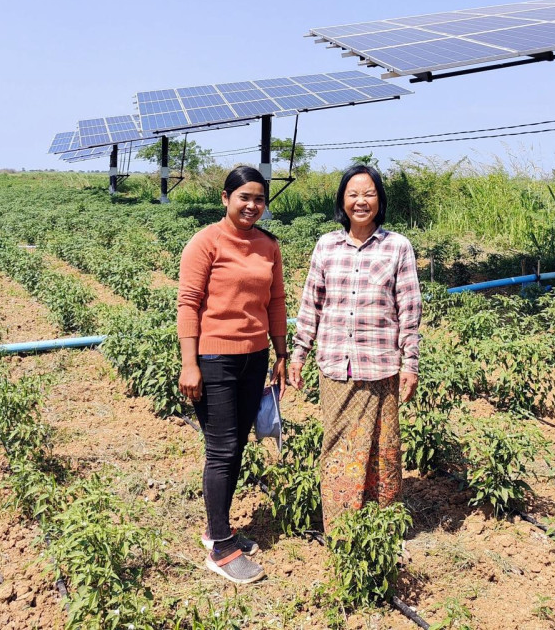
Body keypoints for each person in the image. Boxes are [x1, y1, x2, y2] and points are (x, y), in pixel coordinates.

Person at [288, 163, 421, 532]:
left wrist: (410, 363)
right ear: (342, 201)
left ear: (380, 200)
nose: (361, 201)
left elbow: (409, 310)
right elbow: (311, 303)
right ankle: (342, 531)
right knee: (336, 447)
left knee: (382, 450)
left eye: (369, 194)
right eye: (353, 194)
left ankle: (379, 531)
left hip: (380, 366)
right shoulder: (326, 245)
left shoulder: (397, 247)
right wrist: (299, 352)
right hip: (335, 365)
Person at [177, 166, 288, 584]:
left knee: (238, 442)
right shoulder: (205, 242)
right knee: (222, 449)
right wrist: (190, 364)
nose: (252, 205)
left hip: (254, 357)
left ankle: (215, 528)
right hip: (214, 359)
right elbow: (188, 304)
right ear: (226, 198)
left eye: (259, 199)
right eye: (244, 197)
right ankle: (221, 548)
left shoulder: (268, 246)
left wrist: (280, 351)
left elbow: (275, 301)